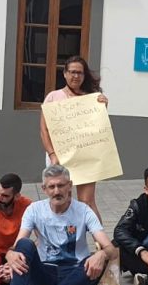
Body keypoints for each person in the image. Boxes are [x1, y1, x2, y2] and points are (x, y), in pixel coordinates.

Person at [2, 165, 117, 285]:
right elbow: (19, 245)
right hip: (45, 274)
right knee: (25, 245)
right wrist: (10, 254)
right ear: (44, 189)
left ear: (70, 185)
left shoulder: (84, 211)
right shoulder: (34, 210)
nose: (57, 191)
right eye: (52, 187)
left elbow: (110, 249)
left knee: (99, 261)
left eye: (61, 185)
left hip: (76, 274)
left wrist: (101, 254)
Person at [38, 55, 109, 220]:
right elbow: (44, 130)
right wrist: (52, 155)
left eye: (80, 72)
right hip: (58, 157)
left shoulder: (92, 98)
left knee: (87, 202)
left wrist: (103, 108)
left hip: (85, 156)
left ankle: (99, 237)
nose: (76, 76)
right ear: (65, 73)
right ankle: (65, 236)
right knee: (62, 201)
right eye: (72, 72)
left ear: (84, 75)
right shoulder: (53, 97)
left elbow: (98, 129)